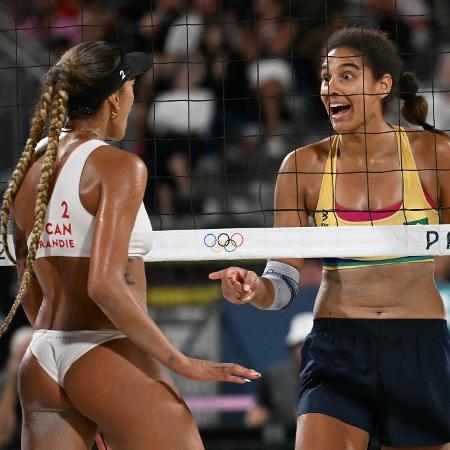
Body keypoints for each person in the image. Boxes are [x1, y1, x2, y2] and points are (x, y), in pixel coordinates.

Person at [0, 41, 260, 450]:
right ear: (114, 100)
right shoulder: (119, 166)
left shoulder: (32, 164)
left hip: (42, 357)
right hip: (104, 350)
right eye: (133, 87)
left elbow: (28, 279)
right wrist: (182, 363)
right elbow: (104, 285)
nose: (136, 96)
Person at [210, 26, 450, 449]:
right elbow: (282, 283)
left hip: (418, 343)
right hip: (337, 347)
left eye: (346, 75)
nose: (330, 88)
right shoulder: (302, 166)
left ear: (382, 86)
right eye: (325, 77)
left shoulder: (435, 155)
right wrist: (255, 289)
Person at [244, 312, 314, 430]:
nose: (307, 350)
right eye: (301, 344)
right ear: (292, 347)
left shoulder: (336, 377)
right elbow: (259, 413)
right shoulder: (274, 377)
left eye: (312, 344)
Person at [0, 327, 32, 450]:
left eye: (29, 356)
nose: (25, 363)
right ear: (12, 359)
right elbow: (2, 435)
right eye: (21, 356)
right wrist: (11, 381)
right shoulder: (3, 381)